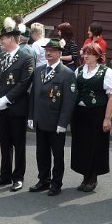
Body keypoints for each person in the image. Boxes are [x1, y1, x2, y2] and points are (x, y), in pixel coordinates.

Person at [0, 17, 35, 192]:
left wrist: (6, 99)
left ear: (12, 38)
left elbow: (24, 83)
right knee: (4, 143)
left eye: (3, 38)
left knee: (18, 144)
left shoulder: (26, 58)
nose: (0, 41)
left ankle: (18, 177)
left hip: (16, 107)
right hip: (0, 108)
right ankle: (4, 175)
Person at [27, 38, 77, 196]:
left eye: (52, 51)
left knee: (57, 154)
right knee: (41, 153)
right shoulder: (39, 70)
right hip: (41, 119)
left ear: (60, 53)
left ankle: (56, 183)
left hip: (56, 122)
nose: (48, 53)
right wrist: (31, 115)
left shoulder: (66, 73)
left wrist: (63, 122)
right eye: (47, 50)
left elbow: (69, 102)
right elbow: (34, 95)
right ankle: (43, 180)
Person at [71, 42, 112, 192]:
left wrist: (107, 118)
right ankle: (85, 176)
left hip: (97, 113)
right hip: (79, 113)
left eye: (90, 54)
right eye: (85, 53)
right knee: (82, 145)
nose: (86, 56)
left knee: (95, 146)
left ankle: (92, 178)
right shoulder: (78, 70)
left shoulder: (107, 72)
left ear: (98, 56)